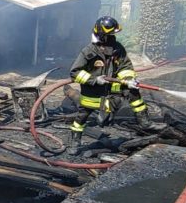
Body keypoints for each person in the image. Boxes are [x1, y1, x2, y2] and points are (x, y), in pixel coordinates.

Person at [67, 16, 164, 155]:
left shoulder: (117, 49)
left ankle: (145, 122)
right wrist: (95, 80)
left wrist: (129, 79)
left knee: (133, 92)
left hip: (112, 90)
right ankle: (74, 143)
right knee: (81, 118)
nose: (112, 37)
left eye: (113, 34)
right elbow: (74, 73)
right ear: (102, 34)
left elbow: (125, 66)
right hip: (93, 93)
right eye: (110, 34)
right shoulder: (88, 52)